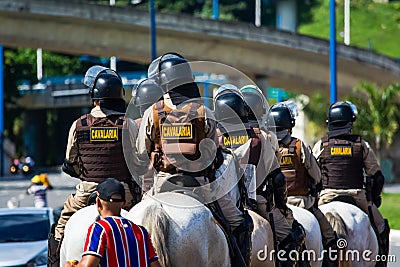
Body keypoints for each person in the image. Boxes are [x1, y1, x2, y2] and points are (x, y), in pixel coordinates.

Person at [136, 53, 249, 265]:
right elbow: (213, 152)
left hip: (162, 186)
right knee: (237, 225)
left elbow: (142, 152)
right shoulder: (202, 111)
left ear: (163, 82)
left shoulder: (153, 113)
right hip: (200, 187)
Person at [49, 66, 146, 267]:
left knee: (60, 228)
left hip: (87, 192)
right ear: (119, 96)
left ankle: (54, 261)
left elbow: (70, 161)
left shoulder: (79, 124)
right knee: (148, 226)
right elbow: (139, 162)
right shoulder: (128, 124)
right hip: (124, 194)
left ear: (95, 99)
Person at [214, 87, 306, 267]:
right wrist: (281, 207)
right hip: (257, 203)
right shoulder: (261, 137)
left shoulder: (212, 136)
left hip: (217, 202)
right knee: (290, 238)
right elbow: (278, 179)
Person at [312, 101, 390, 264]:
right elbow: (377, 176)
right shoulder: (360, 144)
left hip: (326, 198)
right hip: (357, 197)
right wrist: (374, 199)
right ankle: (381, 261)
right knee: (381, 227)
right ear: (350, 121)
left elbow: (313, 174)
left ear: (329, 122)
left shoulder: (321, 144)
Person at [268, 101, 338, 267]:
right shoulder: (299, 146)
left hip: (274, 205)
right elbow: (316, 175)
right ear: (290, 126)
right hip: (303, 204)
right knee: (330, 237)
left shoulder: (267, 147)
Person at [63, 178, 161, 267]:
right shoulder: (141, 231)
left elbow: (88, 265)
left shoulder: (100, 228)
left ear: (98, 202)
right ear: (123, 203)